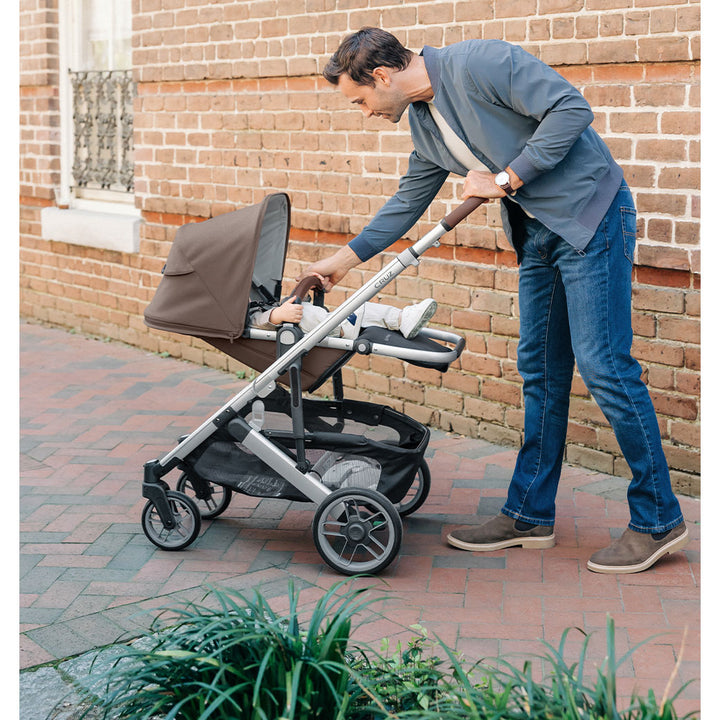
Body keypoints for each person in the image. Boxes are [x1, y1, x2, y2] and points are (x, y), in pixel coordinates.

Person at [303, 27, 688, 574]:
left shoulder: (481, 62)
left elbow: (570, 109)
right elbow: (408, 200)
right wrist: (338, 263)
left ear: (382, 76)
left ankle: (657, 519)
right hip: (537, 235)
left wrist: (507, 178)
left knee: (605, 367)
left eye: (360, 99)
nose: (363, 112)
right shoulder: (424, 124)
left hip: (591, 219)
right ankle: (530, 515)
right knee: (540, 371)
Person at [248, 284, 437, 340]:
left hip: (322, 323)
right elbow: (255, 321)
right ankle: (401, 318)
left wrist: (301, 296)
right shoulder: (241, 315)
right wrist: (277, 315)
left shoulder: (254, 301)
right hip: (330, 328)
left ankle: (401, 319)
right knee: (360, 308)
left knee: (361, 309)